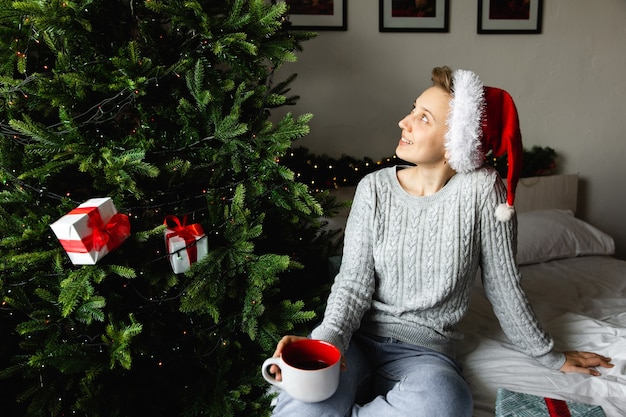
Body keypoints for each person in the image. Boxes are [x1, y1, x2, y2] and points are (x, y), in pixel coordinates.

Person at [268, 66, 614, 417]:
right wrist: (327, 344)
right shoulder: (373, 188)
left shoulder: (482, 191)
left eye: (424, 118)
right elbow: (353, 282)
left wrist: (549, 356)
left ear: (455, 142)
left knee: (447, 402)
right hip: (354, 340)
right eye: (412, 109)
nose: (405, 121)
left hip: (424, 355)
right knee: (302, 400)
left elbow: (504, 286)